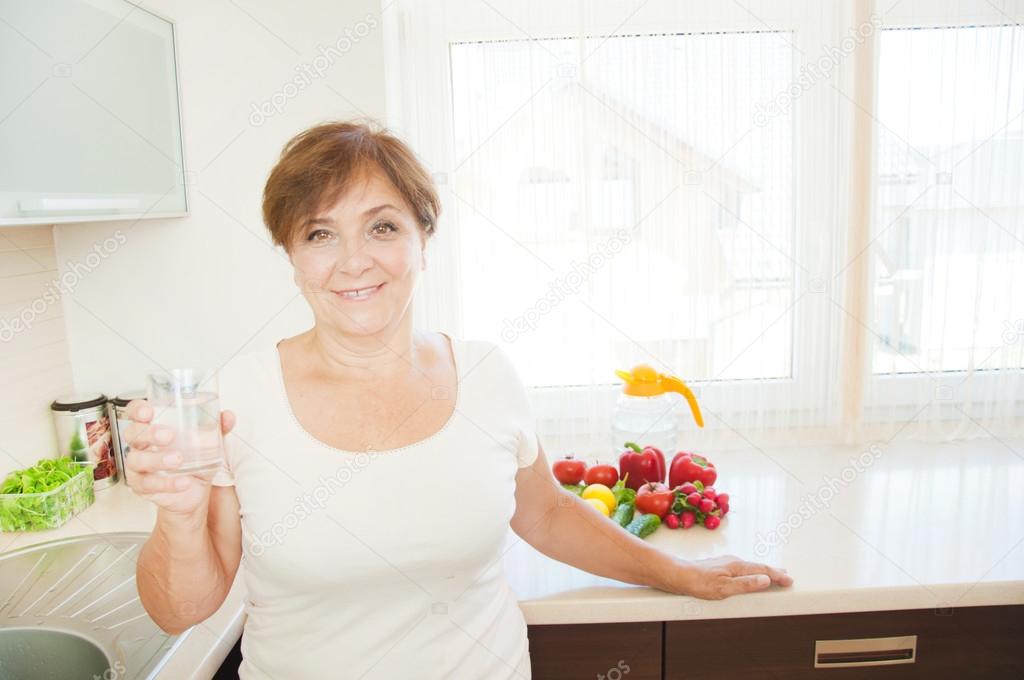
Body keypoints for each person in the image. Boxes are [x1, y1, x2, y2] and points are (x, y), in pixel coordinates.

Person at [124, 121, 792, 679]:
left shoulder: (486, 374)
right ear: (292, 255)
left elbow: (550, 516)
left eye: (381, 228)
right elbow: (181, 610)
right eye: (320, 233)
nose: (353, 261)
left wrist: (679, 572)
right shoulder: (239, 397)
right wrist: (178, 518)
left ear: (422, 239)